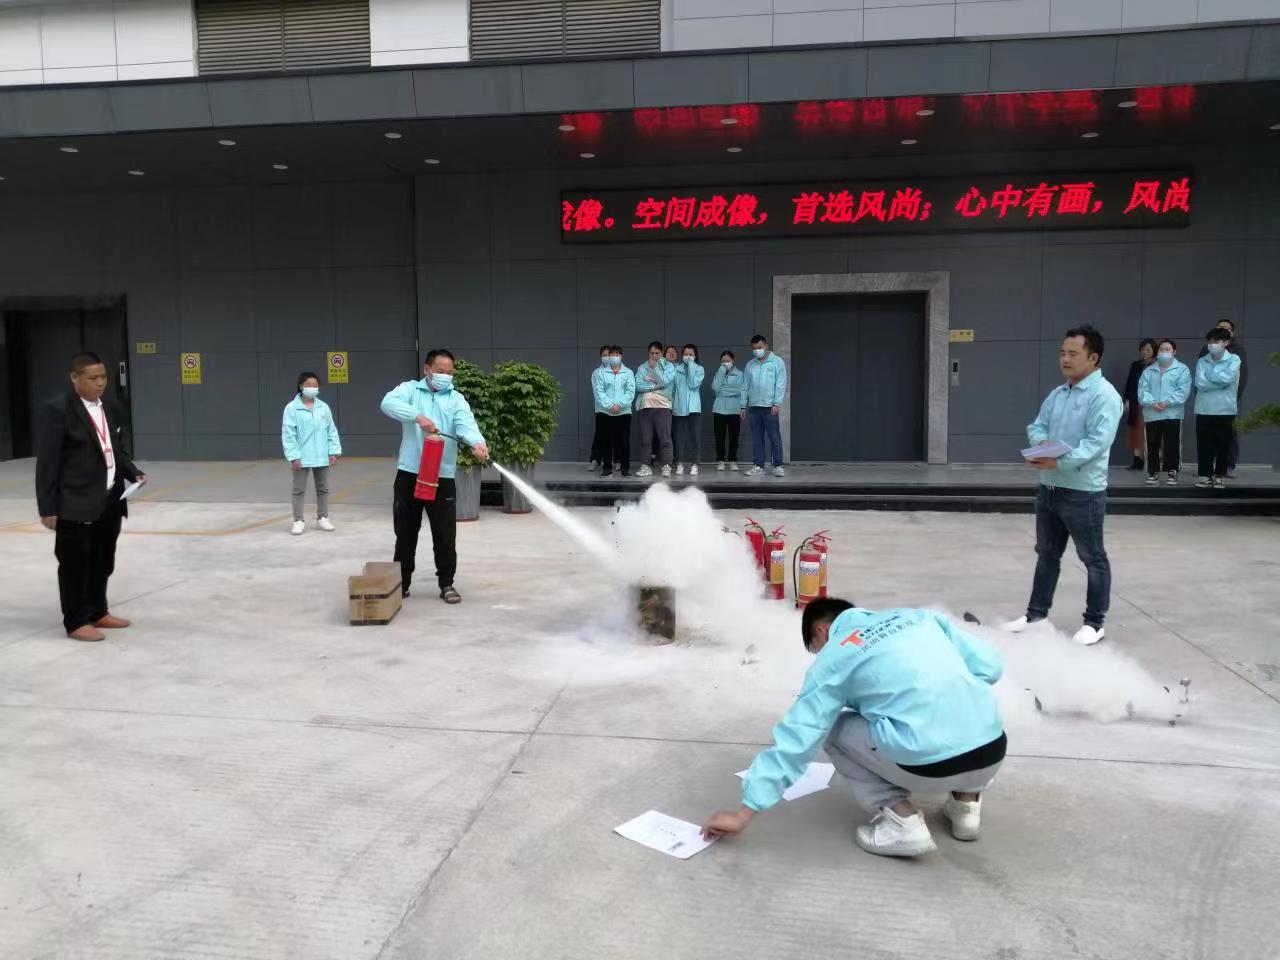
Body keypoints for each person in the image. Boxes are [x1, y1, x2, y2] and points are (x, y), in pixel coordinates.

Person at [701, 598, 1006, 859]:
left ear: (821, 631)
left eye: (816, 647)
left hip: (928, 765)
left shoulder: (836, 655)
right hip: (992, 751)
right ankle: (966, 810)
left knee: (832, 726)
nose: (820, 653)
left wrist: (745, 812)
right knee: (963, 708)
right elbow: (989, 666)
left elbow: (800, 734)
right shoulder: (919, 618)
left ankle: (903, 823)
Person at [1004, 325, 1122, 647]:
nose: (1065, 359)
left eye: (1073, 353)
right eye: (1062, 353)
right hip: (1050, 488)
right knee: (1047, 555)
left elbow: (1097, 443)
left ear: (1093, 357)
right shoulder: (1059, 393)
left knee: (1093, 557)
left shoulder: (1105, 396)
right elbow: (1037, 424)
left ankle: (1095, 623)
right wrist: (1041, 444)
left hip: (1083, 492)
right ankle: (1035, 616)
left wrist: (1060, 460)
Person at [35, 352, 147, 642]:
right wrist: (48, 507)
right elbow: (47, 462)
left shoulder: (109, 406)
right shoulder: (58, 410)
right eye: (93, 378)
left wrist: (132, 472)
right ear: (75, 378)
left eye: (103, 377)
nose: (100, 383)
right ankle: (76, 621)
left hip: (109, 499)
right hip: (75, 501)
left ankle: (98, 611)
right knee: (74, 564)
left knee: (103, 559)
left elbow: (116, 447)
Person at [380, 350, 490, 603]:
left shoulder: (456, 399)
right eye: (440, 371)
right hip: (410, 473)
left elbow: (466, 424)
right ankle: (402, 583)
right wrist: (417, 417)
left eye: (450, 372)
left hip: (442, 476)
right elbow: (387, 403)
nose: (445, 376)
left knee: (445, 534)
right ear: (427, 369)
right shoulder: (409, 390)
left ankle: (447, 584)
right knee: (406, 532)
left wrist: (477, 443)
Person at [281, 371, 342, 535]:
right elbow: (288, 434)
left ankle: (323, 518)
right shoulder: (292, 408)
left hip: (321, 455)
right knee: (299, 490)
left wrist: (334, 451)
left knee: (323, 489)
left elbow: (331, 430)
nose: (312, 388)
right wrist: (293, 456)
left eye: (315, 385)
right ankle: (298, 520)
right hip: (301, 457)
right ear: (301, 386)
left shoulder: (323, 407)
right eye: (308, 385)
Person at [1197, 319, 1249, 476]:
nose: (1213, 344)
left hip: (1226, 407)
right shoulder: (1202, 359)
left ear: (1227, 341)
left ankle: (1221, 474)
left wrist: (1211, 376)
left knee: (1224, 444)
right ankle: (1205, 475)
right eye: (1211, 341)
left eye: (1217, 341)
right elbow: (1200, 383)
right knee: (1204, 444)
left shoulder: (1235, 358)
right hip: (1204, 408)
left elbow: (1228, 379)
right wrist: (1219, 380)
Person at [1138, 340, 1191, 486]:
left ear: (1174, 352)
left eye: (1168, 349)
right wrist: (1152, 402)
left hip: (1173, 413)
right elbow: (1143, 390)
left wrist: (1167, 402)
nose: (1164, 352)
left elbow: (1183, 390)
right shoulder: (1148, 370)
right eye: (1161, 349)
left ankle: (1172, 472)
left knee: (1172, 443)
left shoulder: (1182, 369)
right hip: (1152, 412)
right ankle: (1152, 472)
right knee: (1152, 443)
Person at [742, 334, 787, 477]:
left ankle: (778, 465)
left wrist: (776, 403)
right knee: (756, 438)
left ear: (766, 346)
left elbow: (780, 383)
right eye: (754, 348)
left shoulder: (777, 362)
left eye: (760, 347)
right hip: (754, 407)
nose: (757, 350)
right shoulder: (750, 365)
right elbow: (745, 386)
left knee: (774, 437)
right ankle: (758, 465)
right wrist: (743, 406)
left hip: (770, 406)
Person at [633, 341, 675, 479]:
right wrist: (654, 386)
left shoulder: (668, 366)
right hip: (645, 406)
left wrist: (655, 368)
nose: (654, 355)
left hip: (663, 406)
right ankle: (645, 466)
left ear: (662, 353)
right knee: (645, 439)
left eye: (657, 353)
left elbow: (665, 382)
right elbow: (638, 385)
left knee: (665, 439)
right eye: (651, 353)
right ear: (648, 353)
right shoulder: (642, 367)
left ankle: (667, 466)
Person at [594, 345, 634, 478]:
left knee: (624, 442)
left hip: (624, 412)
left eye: (617, 354)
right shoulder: (601, 373)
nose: (614, 357)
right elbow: (599, 392)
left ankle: (625, 469)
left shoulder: (628, 372)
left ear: (621, 356)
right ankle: (607, 469)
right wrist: (610, 405)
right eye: (612, 354)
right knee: (606, 442)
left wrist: (620, 405)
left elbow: (630, 392)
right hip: (606, 412)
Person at [1121, 339, 1158, 470]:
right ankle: (1137, 461)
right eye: (1143, 349)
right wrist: (1127, 400)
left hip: (1152, 404)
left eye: (1148, 349)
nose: (1145, 351)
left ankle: (1153, 462)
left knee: (1152, 432)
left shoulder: (1158, 365)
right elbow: (1129, 383)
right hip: (1136, 402)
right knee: (1135, 432)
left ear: (1154, 350)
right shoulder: (1135, 365)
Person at [671, 343, 705, 477]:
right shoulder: (676, 369)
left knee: (695, 438)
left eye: (691, 354)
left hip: (693, 408)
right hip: (678, 408)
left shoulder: (699, 369)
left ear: (695, 356)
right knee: (679, 438)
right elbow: (673, 390)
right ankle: (679, 463)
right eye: (686, 354)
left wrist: (691, 366)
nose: (688, 356)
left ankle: (694, 464)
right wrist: (672, 405)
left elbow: (693, 384)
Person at [711, 350, 746, 471]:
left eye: (728, 361)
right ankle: (720, 460)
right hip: (719, 408)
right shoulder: (719, 372)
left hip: (734, 408)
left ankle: (732, 460)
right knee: (719, 437)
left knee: (733, 437)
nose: (726, 363)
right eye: (723, 361)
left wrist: (724, 391)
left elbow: (740, 391)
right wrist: (721, 372)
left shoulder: (740, 374)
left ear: (733, 360)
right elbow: (715, 388)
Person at [587, 344, 610, 472]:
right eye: (604, 355)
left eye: (609, 355)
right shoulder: (596, 372)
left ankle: (615, 461)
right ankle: (595, 460)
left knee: (615, 435)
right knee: (600, 435)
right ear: (601, 356)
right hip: (601, 409)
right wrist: (608, 404)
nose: (607, 358)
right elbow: (598, 392)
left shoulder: (617, 371)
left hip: (617, 410)